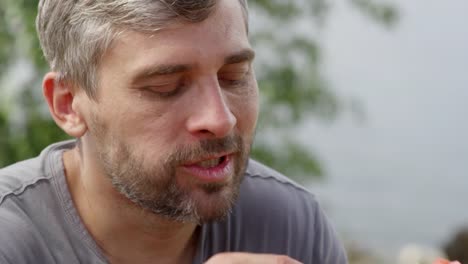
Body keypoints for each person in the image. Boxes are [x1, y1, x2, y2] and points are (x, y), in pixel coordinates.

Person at [0, 0, 348, 263]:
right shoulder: (12, 240)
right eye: (165, 86)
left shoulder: (291, 226)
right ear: (68, 104)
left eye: (234, 76)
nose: (220, 118)